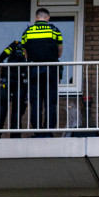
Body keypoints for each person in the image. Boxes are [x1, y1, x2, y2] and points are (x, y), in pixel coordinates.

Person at [21, 8, 63, 137]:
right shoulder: (54, 30)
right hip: (51, 68)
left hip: (34, 69)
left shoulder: (27, 31)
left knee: (36, 101)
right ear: (48, 18)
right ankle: (48, 131)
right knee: (50, 101)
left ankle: (38, 131)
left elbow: (25, 53)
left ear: (36, 18)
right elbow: (59, 51)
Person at [0, 39, 28, 138]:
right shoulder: (15, 45)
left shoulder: (32, 48)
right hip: (7, 81)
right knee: (1, 110)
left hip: (21, 83)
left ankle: (15, 137)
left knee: (17, 111)